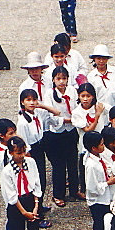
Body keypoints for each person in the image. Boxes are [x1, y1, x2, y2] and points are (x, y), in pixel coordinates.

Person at [43, 66, 80, 206]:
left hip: (71, 131)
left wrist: (75, 119)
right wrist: (67, 120)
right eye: (58, 78)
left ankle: (74, 190)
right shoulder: (49, 94)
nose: (62, 82)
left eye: (64, 78)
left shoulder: (72, 91)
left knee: (72, 162)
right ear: (53, 80)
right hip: (56, 133)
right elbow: (49, 116)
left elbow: (77, 108)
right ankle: (58, 194)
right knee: (59, 165)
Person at [83, 130, 113, 230]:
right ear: (93, 148)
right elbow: (92, 188)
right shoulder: (91, 165)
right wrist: (107, 183)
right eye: (101, 144)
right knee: (99, 229)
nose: (103, 146)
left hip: (105, 198)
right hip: (97, 202)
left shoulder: (99, 158)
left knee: (105, 227)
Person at [87, 45, 115, 111]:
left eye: (104, 58)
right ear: (94, 59)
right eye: (98, 58)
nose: (101, 61)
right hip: (99, 112)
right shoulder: (91, 76)